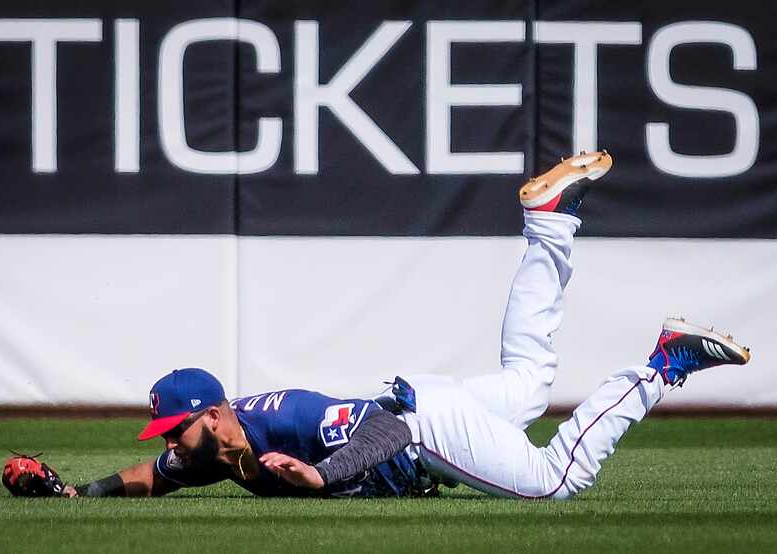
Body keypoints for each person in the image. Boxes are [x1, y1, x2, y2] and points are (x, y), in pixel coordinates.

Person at [63, 151, 751, 500]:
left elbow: (386, 431)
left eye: (175, 430)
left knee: (552, 481)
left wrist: (323, 478)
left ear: (213, 415)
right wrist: (72, 491)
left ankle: (664, 364)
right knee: (530, 383)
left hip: (422, 428)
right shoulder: (212, 448)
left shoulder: (288, 419)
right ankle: (551, 223)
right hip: (423, 405)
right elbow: (152, 477)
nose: (171, 446)